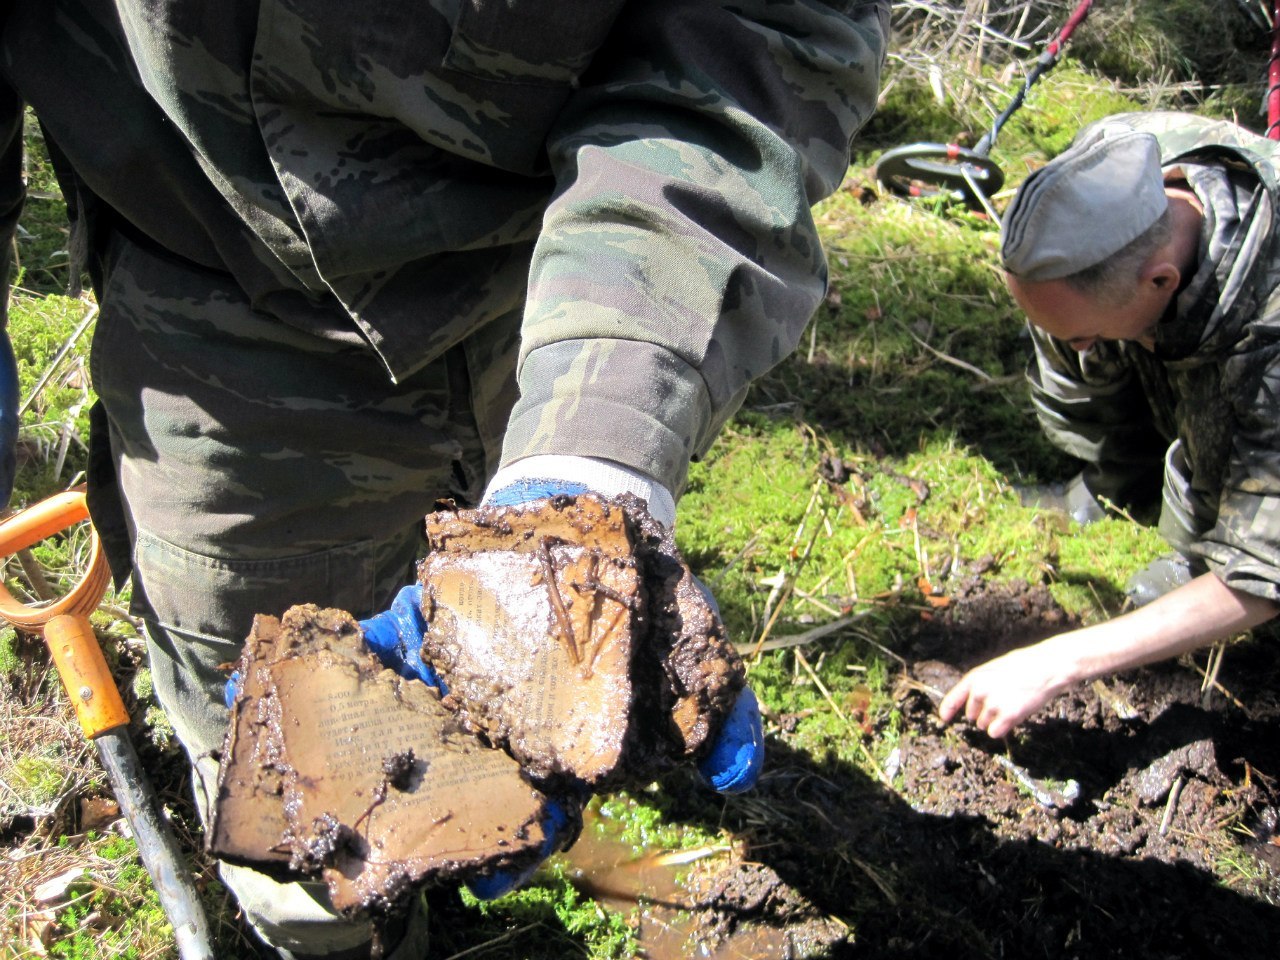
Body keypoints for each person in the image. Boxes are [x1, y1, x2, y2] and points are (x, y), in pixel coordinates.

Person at [0, 1, 890, 957]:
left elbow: (761, 39)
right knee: (306, 823)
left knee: (531, 732)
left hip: (568, 271)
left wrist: (591, 460)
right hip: (217, 312)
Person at [940, 112, 1280, 740]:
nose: (1075, 347)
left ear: (1161, 280)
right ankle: (1120, 486)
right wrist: (1080, 338)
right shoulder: (1114, 161)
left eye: (1087, 333)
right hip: (1164, 321)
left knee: (1221, 437)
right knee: (1076, 334)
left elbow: (1268, 575)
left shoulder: (1269, 342)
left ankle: (1197, 549)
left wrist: (1056, 660)